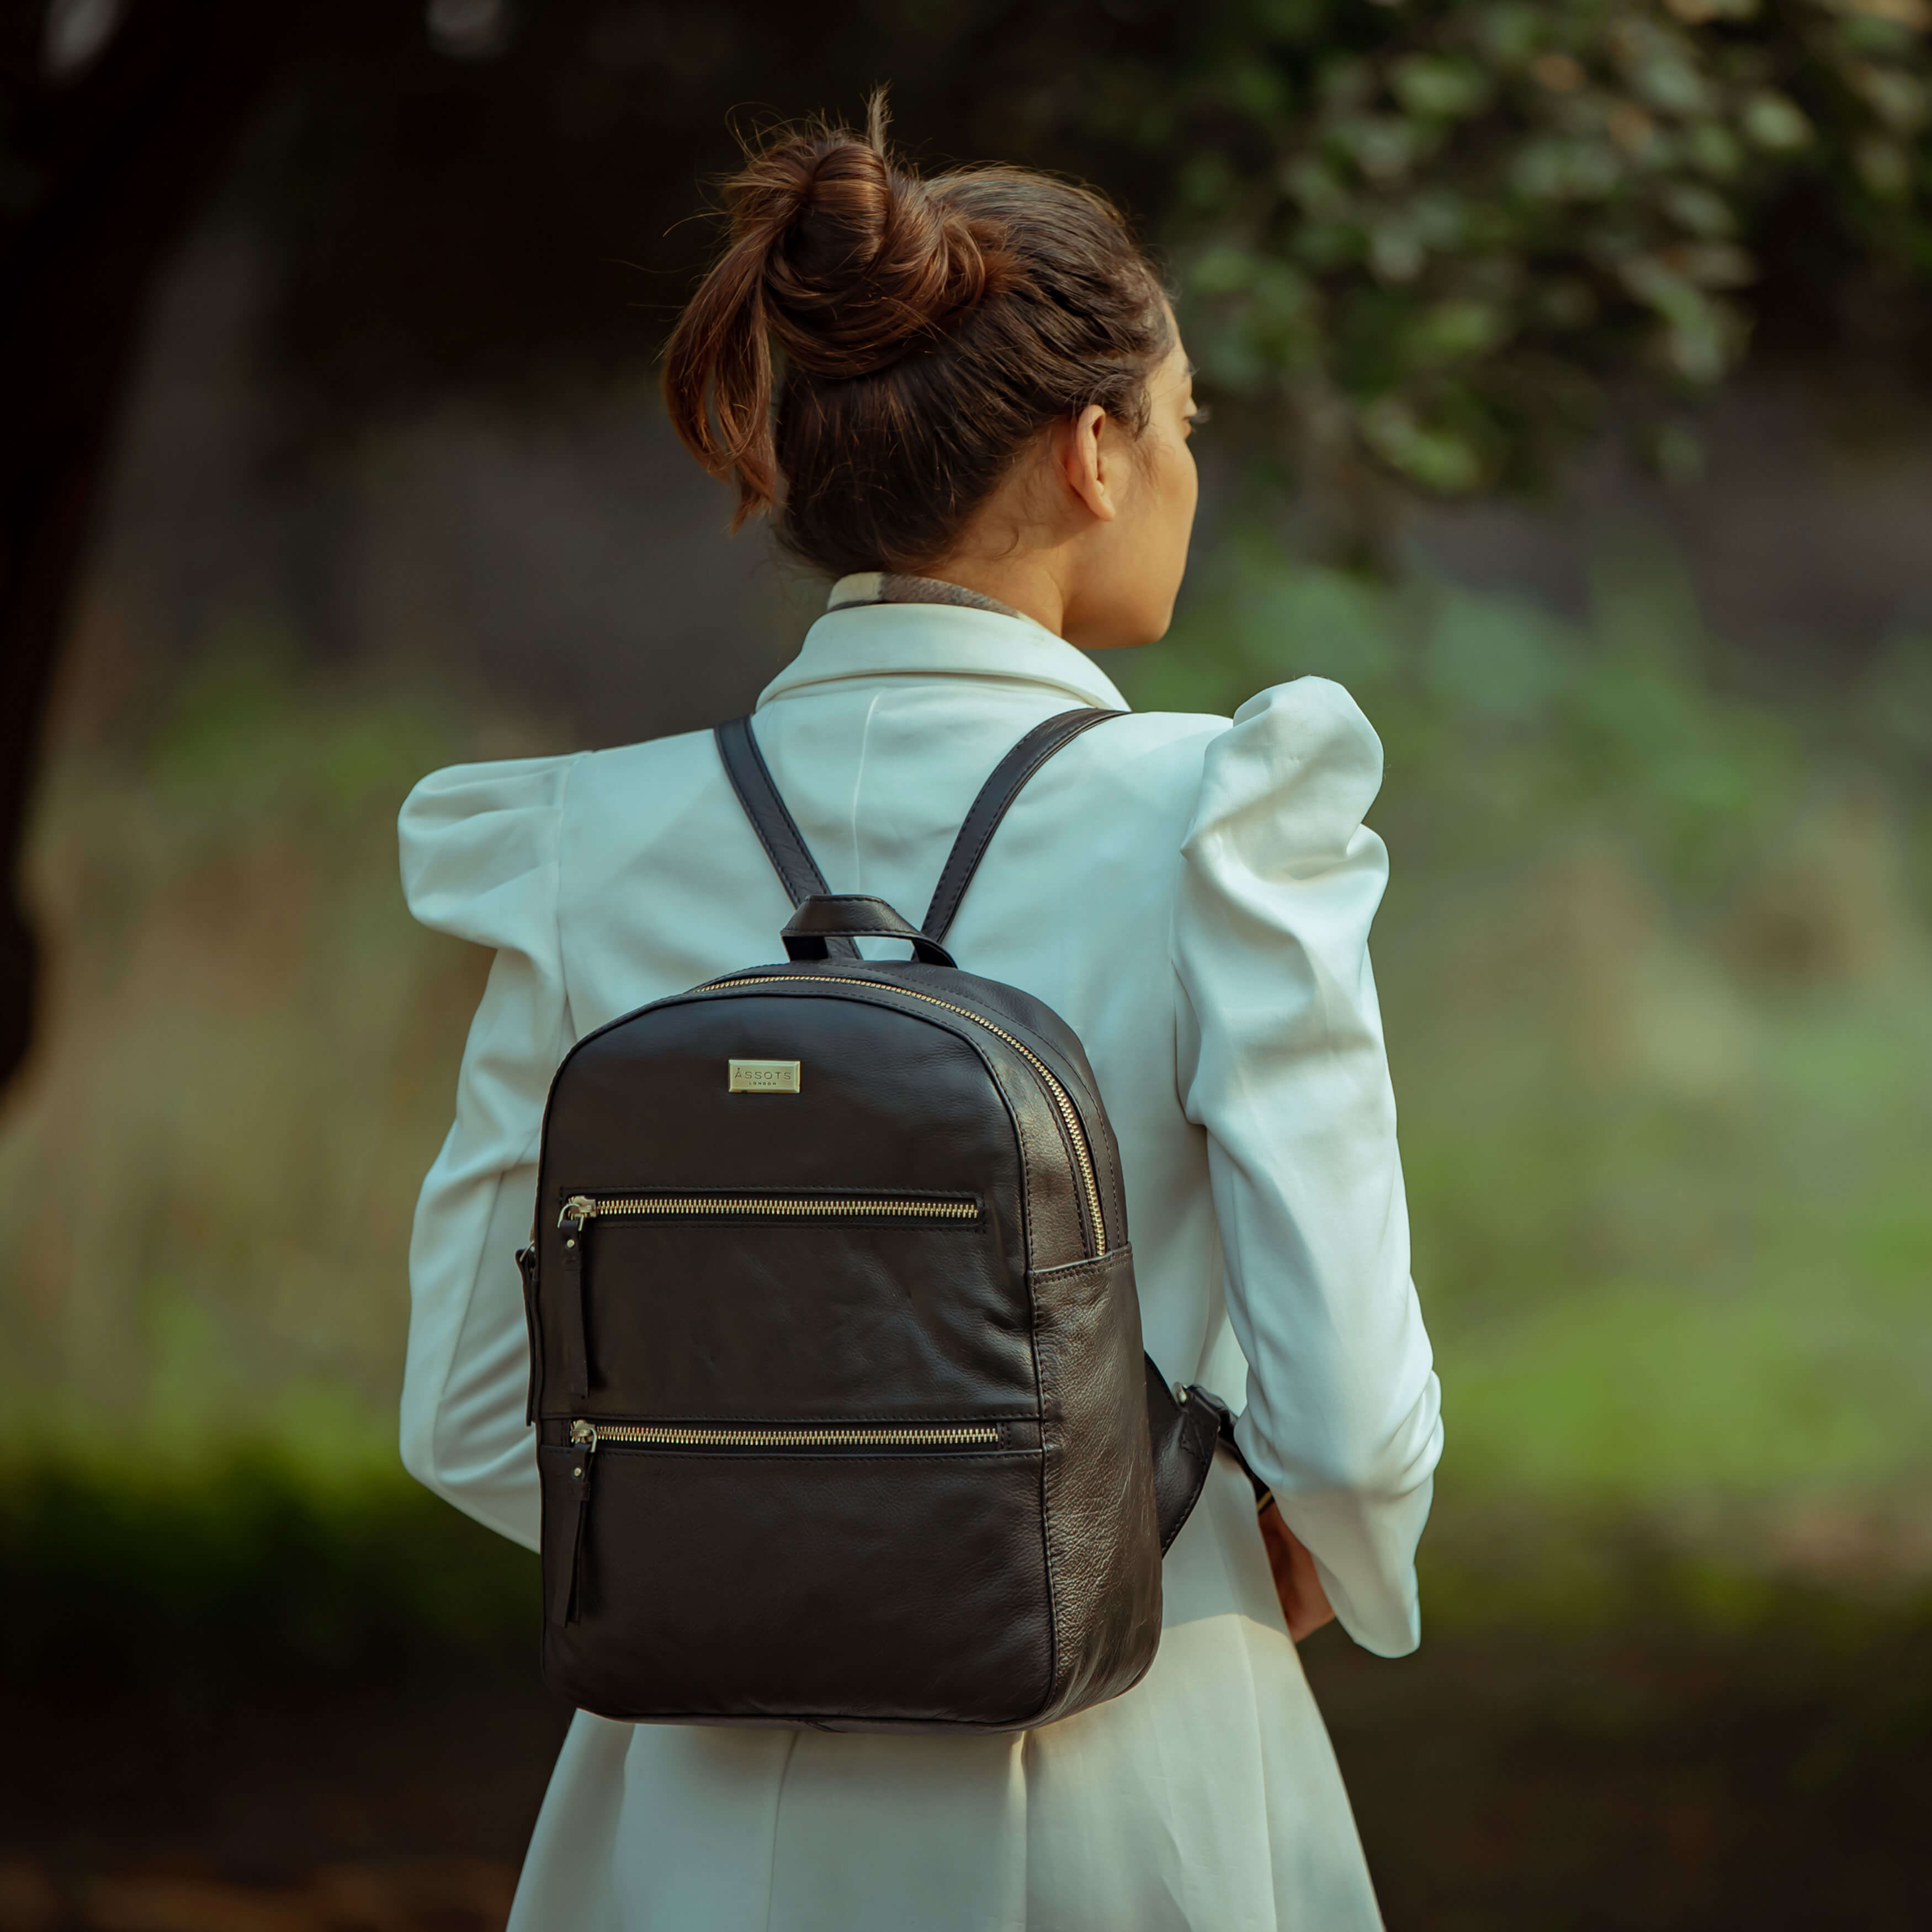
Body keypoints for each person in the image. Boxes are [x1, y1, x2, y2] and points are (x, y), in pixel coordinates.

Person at [399, 95, 1441, 1932]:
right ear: (1094, 450)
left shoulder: (580, 844)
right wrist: (1311, 1553)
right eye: (1184, 423)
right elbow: (1347, 1429)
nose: (1188, 468)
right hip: (1133, 1745)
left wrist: (774, 1544)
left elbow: (477, 1417)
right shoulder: (1222, 824)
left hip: (691, 1808)